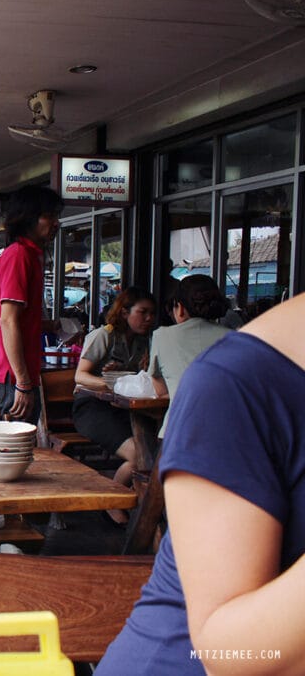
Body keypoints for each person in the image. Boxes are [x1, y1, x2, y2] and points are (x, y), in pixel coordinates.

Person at [97, 293, 305, 675]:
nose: (146, 318)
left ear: (178, 308)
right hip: (190, 657)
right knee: (139, 461)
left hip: (176, 437)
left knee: (140, 461)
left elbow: (156, 387)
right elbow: (227, 655)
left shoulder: (167, 339)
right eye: (140, 312)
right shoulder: (242, 373)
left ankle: (126, 509)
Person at [0, 185, 62, 424]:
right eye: (49, 216)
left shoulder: (28, 255)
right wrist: (23, 382)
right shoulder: (19, 255)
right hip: (9, 375)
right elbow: (7, 321)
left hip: (7, 372)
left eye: (57, 216)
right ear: (29, 218)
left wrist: (49, 325)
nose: (56, 223)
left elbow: (15, 319)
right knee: (11, 453)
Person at [72, 286, 156, 524]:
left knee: (154, 452)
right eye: (143, 312)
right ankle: (111, 499)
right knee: (140, 456)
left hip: (123, 410)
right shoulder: (103, 335)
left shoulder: (143, 342)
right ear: (124, 312)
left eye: (152, 313)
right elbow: (80, 376)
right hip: (92, 408)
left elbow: (137, 380)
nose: (149, 319)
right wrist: (110, 382)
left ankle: (116, 498)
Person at [148, 275, 230, 437]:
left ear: (180, 307)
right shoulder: (233, 337)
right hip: (224, 431)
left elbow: (159, 388)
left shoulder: (162, 336)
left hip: (177, 429)